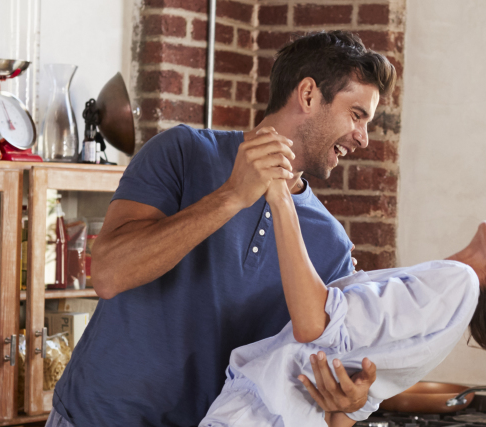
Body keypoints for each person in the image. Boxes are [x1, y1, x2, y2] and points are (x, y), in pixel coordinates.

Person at [49, 31, 397, 426]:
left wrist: (348, 400)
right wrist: (232, 195)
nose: (363, 138)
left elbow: (322, 367)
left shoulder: (331, 244)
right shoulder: (181, 152)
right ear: (308, 95)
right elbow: (108, 275)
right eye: (356, 115)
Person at [199, 176, 486, 427]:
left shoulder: (458, 283)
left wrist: (281, 197)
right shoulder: (445, 317)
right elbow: (343, 418)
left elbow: (314, 323)